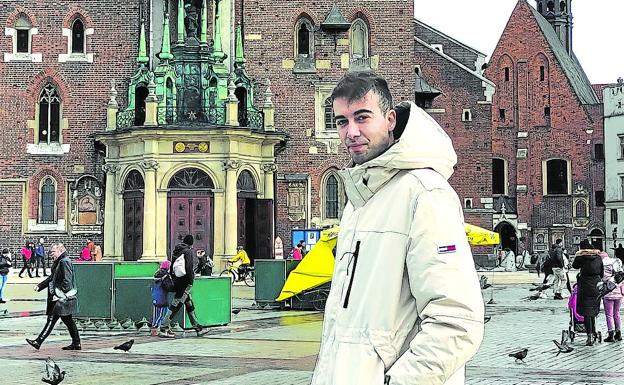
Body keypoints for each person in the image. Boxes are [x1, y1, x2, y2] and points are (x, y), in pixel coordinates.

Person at [311, 71, 484, 385]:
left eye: (362, 117)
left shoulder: (425, 193)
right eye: (341, 121)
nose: (351, 132)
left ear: (390, 119)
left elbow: (457, 320)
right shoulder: (360, 200)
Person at [26, 243, 81, 350]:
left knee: (52, 318)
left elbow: (67, 281)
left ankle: (38, 341)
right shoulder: (60, 261)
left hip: (60, 298)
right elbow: (52, 278)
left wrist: (60, 295)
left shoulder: (64, 262)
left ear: (60, 251)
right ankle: (76, 343)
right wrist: (40, 286)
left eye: (53, 252)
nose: (51, 254)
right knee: (68, 320)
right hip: (60, 297)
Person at [158, 234, 204, 338]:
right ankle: (163, 327)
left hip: (177, 280)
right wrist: (191, 280)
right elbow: (188, 267)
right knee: (176, 305)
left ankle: (198, 327)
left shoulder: (176, 251)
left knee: (189, 304)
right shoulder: (187, 252)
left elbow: (171, 267)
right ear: (191, 243)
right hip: (184, 283)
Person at [572, 239, 604, 346]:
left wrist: (579, 256)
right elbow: (602, 273)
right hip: (596, 286)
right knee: (593, 311)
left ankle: (589, 335)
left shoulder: (581, 257)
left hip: (585, 285)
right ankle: (593, 333)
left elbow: (574, 266)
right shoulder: (598, 257)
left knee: (586, 312)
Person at [600, 251, 623, 342]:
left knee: (609, 315)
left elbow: (602, 279)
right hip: (618, 293)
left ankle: (611, 334)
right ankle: (619, 333)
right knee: (617, 313)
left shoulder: (602, 267)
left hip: (608, 293)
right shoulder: (617, 264)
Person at [151, 260, 172, 337]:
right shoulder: (165, 275)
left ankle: (154, 328)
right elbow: (168, 287)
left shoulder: (157, 274)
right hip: (162, 298)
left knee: (156, 315)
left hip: (155, 297)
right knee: (163, 315)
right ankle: (156, 329)